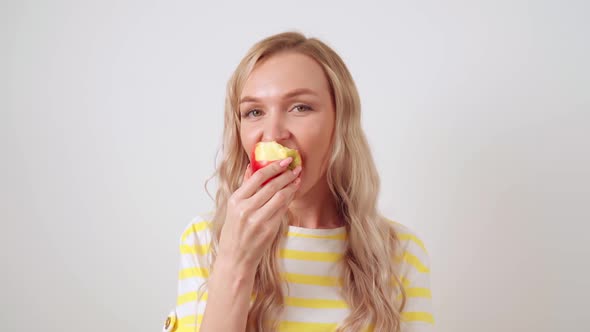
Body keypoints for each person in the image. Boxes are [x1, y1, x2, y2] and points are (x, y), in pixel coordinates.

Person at [163, 31, 434, 332]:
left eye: (300, 107)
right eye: (254, 112)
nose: (273, 133)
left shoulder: (401, 254)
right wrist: (234, 262)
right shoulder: (206, 241)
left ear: (340, 123)